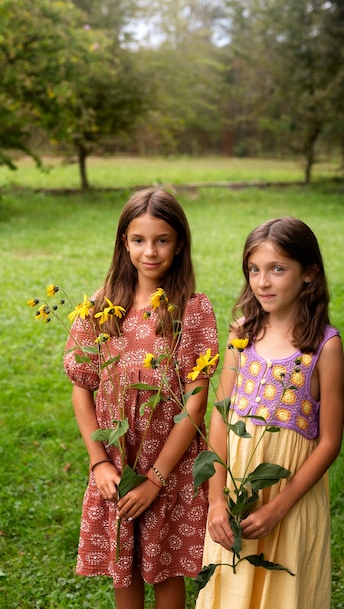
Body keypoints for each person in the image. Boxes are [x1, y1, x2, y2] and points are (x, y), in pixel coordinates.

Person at [63, 188, 218, 609]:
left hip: (170, 463)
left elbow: (196, 402)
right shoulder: (99, 307)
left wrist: (157, 480)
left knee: (167, 570)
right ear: (123, 243)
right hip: (117, 462)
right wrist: (98, 461)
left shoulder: (191, 310)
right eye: (139, 240)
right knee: (123, 565)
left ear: (179, 243)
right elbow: (82, 387)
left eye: (162, 240)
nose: (150, 251)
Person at [196, 217, 344, 609]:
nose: (262, 282)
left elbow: (329, 442)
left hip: (290, 500)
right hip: (234, 496)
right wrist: (215, 500)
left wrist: (279, 507)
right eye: (254, 269)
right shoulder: (241, 333)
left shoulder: (324, 347)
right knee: (231, 589)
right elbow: (220, 414)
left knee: (284, 595)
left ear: (309, 272)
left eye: (278, 269)